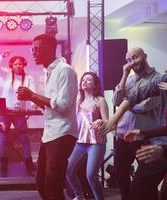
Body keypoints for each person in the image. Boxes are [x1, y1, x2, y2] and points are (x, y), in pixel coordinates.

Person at [92, 47, 167, 200]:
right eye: (128, 60)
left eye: (135, 58)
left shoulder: (158, 79)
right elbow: (116, 100)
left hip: (144, 136)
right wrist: (125, 75)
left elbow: (146, 105)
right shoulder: (130, 79)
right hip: (124, 135)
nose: (131, 63)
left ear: (144, 56)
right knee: (121, 174)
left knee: (147, 180)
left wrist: (124, 107)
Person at [17, 34, 78, 200]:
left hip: (62, 133)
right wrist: (31, 98)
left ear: (51, 49)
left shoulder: (64, 70)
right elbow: (50, 107)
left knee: (52, 184)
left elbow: (63, 106)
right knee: (41, 183)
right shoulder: (49, 72)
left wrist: (32, 95)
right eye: (33, 49)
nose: (34, 53)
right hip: (50, 134)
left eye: (38, 49)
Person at [66, 72, 108, 200]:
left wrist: (101, 121)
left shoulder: (100, 100)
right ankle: (79, 196)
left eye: (89, 80)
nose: (84, 82)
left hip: (96, 143)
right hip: (80, 142)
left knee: (91, 175)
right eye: (83, 80)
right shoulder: (79, 101)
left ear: (95, 85)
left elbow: (108, 121)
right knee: (69, 171)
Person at [0, 50, 36, 171]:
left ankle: (28, 162)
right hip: (5, 111)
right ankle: (3, 162)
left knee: (23, 138)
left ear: (24, 65)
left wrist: (32, 106)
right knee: (3, 137)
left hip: (19, 112)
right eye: (15, 64)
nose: (18, 66)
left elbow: (32, 93)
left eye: (20, 64)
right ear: (11, 65)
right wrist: (2, 56)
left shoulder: (28, 78)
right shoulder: (7, 74)